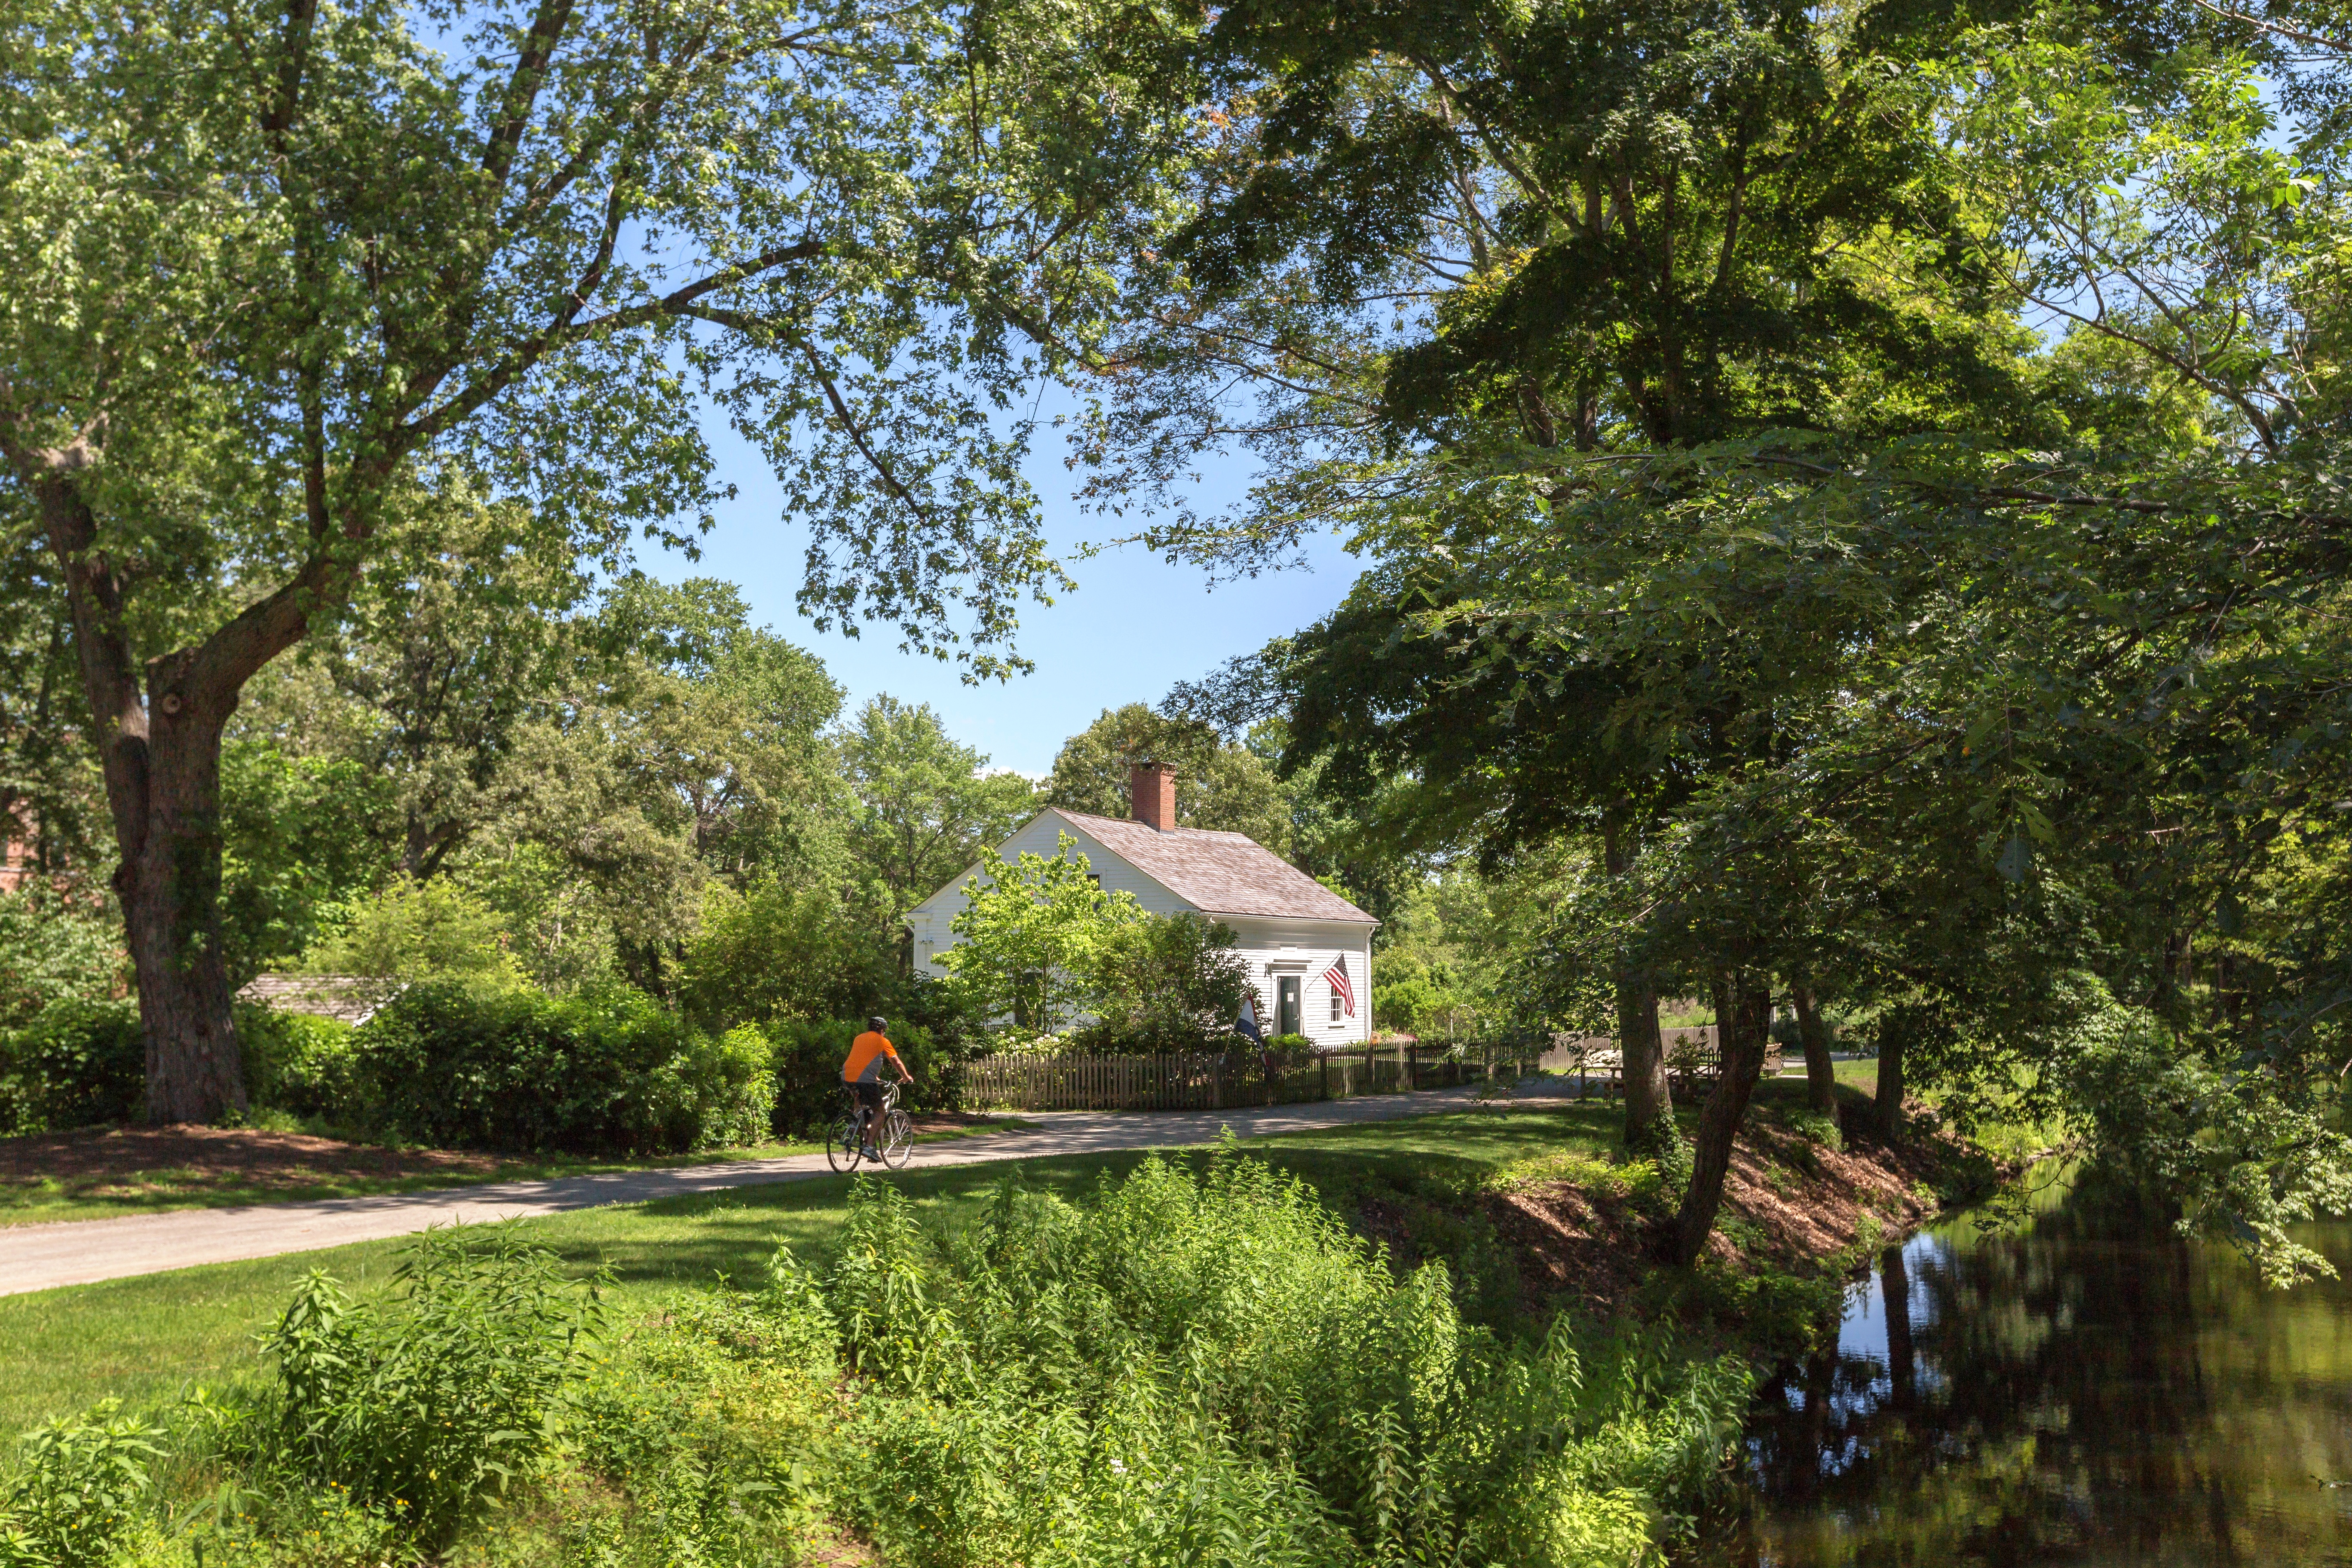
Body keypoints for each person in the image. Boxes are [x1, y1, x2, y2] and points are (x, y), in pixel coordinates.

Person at [842, 1016, 913, 1158]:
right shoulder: (882, 1041)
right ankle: (868, 1147)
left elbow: (860, 1059)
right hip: (865, 1080)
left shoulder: (859, 1038)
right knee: (880, 1111)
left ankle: (854, 1126)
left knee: (861, 1106)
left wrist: (874, 1076)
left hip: (846, 1076)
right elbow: (897, 1062)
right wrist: (906, 1077)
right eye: (884, 1031)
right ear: (881, 1030)